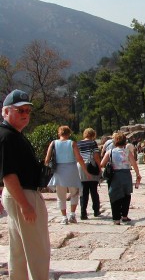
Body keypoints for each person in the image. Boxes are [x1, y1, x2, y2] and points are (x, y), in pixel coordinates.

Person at [0, 89, 50, 279]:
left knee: (19, 250)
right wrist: (25, 205)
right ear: (5, 112)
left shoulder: (13, 135)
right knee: (38, 250)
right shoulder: (7, 137)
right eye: (20, 111)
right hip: (22, 194)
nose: (25, 115)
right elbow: (9, 174)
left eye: (28, 111)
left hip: (17, 194)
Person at [46, 125, 90, 225]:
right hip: (71, 170)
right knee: (74, 193)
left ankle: (64, 217)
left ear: (59, 133)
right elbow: (79, 158)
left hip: (59, 171)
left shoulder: (53, 143)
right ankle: (72, 215)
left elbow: (47, 159)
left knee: (60, 196)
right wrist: (86, 171)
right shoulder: (72, 143)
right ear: (69, 133)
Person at [100, 131, 141, 225]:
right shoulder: (127, 152)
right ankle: (124, 216)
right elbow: (134, 163)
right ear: (124, 141)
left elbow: (102, 164)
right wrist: (138, 174)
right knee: (126, 195)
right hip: (126, 175)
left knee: (114, 196)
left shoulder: (109, 152)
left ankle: (116, 218)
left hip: (114, 175)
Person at [77, 128, 102, 220]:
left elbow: (77, 156)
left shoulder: (78, 143)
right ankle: (96, 210)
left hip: (81, 167)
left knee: (83, 191)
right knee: (94, 191)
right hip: (91, 167)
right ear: (93, 134)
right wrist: (100, 168)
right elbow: (96, 156)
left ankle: (83, 213)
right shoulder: (93, 143)